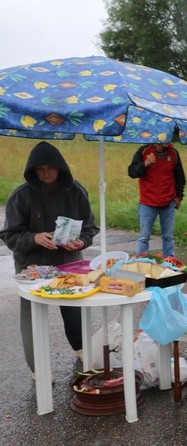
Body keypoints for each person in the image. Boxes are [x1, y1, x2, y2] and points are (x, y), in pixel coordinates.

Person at [0, 141, 99, 376]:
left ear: (60, 168)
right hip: (32, 266)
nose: (45, 174)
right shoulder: (20, 195)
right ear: (32, 171)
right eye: (40, 169)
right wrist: (34, 238)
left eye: (50, 168)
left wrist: (82, 242)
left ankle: (82, 348)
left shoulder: (76, 190)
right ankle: (38, 368)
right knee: (32, 315)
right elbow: (9, 235)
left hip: (69, 261)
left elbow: (90, 227)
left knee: (76, 309)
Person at [127, 141, 185, 258]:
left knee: (168, 236)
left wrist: (179, 196)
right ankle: (142, 261)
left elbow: (180, 176)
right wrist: (145, 163)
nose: (165, 143)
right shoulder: (143, 151)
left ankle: (169, 262)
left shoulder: (173, 153)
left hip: (168, 201)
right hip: (148, 202)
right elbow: (132, 172)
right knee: (144, 236)